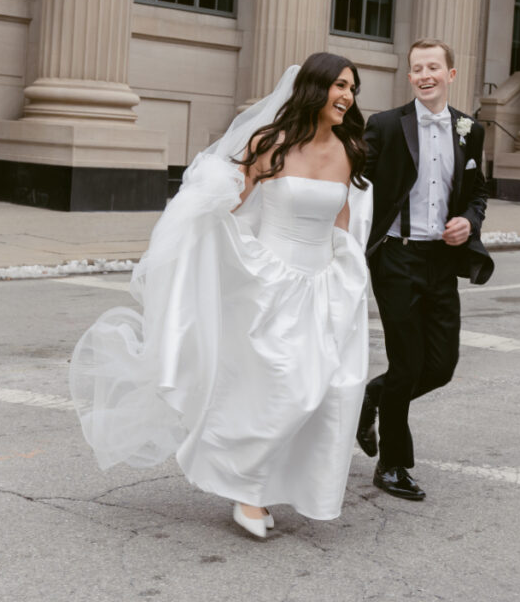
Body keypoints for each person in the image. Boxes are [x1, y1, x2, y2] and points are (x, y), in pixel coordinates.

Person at [69, 53, 372, 538]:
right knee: (282, 388)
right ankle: (247, 492)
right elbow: (235, 201)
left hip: (323, 287)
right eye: (340, 85)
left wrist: (347, 277)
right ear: (315, 88)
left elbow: (341, 222)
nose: (348, 97)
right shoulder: (268, 143)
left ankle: (277, 484)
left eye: (353, 89)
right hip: (267, 282)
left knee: (323, 393)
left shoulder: (350, 149)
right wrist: (197, 229)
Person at [356, 38, 493, 501]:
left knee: (441, 366)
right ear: (410, 77)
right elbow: (356, 179)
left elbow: (477, 193)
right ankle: (392, 465)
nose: (424, 74)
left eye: (433, 66)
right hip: (396, 256)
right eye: (417, 68)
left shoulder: (470, 130)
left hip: (441, 259)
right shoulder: (386, 125)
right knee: (407, 362)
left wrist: (467, 223)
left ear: (451, 74)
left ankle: (374, 395)